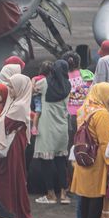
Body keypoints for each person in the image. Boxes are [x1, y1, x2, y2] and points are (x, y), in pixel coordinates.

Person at [70, 82, 109, 218]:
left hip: (83, 158)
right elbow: (104, 142)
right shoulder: (101, 113)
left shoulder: (84, 109)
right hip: (97, 160)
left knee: (84, 196)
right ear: (102, 95)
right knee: (96, 196)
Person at [0, 73, 34, 218]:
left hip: (12, 147)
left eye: (12, 86)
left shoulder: (19, 106)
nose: (9, 89)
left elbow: (5, 124)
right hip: (14, 144)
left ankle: (10, 212)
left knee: (10, 176)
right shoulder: (18, 102)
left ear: (19, 87)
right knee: (14, 176)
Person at [33, 60, 71, 204]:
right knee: (61, 161)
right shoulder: (68, 85)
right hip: (62, 127)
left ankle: (50, 195)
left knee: (46, 162)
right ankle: (63, 194)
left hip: (46, 127)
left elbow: (33, 89)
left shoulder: (44, 83)